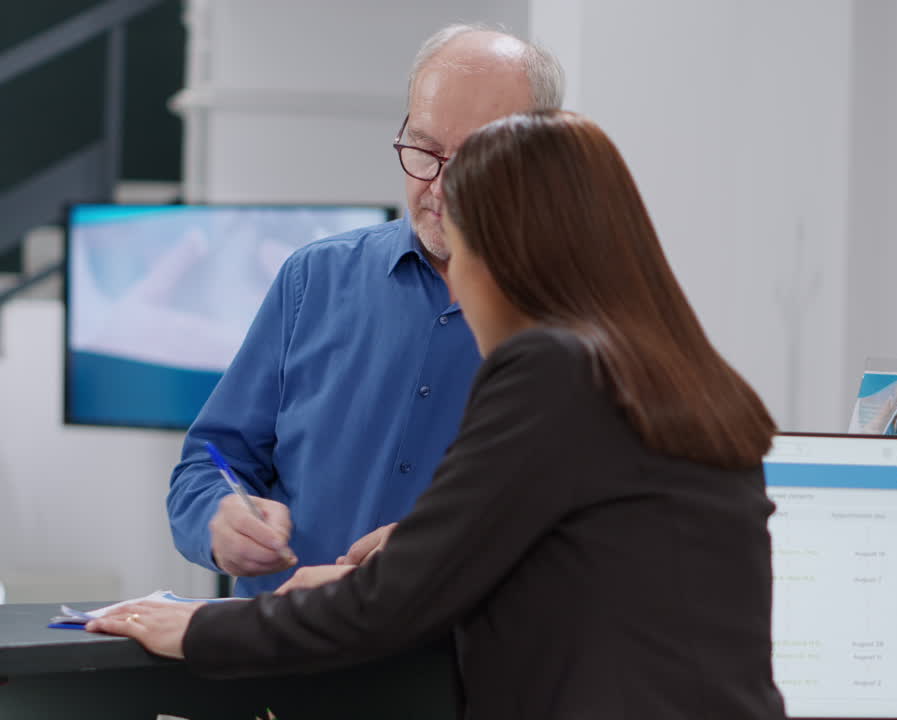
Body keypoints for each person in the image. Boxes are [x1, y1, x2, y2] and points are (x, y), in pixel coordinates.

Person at [89, 111, 788, 720]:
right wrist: (431, 552)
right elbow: (603, 578)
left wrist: (196, 628)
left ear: (512, 251)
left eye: (464, 250)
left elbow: (386, 607)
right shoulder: (681, 374)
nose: (453, 280)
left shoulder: (552, 368)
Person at [166, 25, 565, 596]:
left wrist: (440, 548)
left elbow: (595, 531)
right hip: (281, 663)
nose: (439, 188)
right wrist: (217, 515)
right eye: (424, 150)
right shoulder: (315, 279)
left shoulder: (580, 316)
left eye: (475, 157)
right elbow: (211, 461)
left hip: (461, 674)